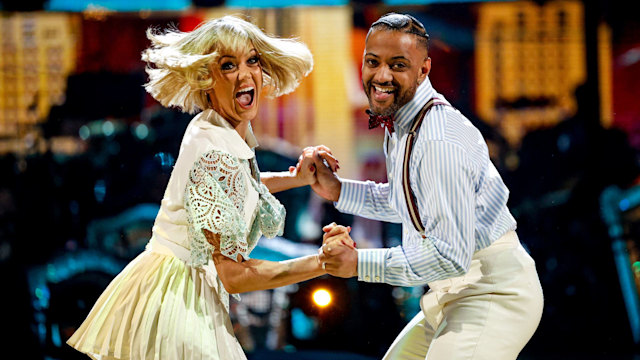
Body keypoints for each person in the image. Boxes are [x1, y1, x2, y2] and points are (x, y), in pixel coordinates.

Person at [67, 15, 337, 360]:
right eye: (228, 65)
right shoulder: (215, 149)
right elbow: (235, 276)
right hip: (178, 305)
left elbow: (234, 187)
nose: (244, 74)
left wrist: (299, 177)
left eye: (252, 60)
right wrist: (322, 263)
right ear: (206, 78)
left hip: (167, 290)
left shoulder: (213, 127)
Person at [302, 13, 544, 360]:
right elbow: (409, 200)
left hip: (491, 294)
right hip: (453, 294)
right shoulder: (405, 122)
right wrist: (338, 190)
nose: (381, 75)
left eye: (397, 65)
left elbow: (449, 255)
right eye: (373, 62)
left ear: (424, 70)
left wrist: (358, 263)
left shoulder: (437, 139)